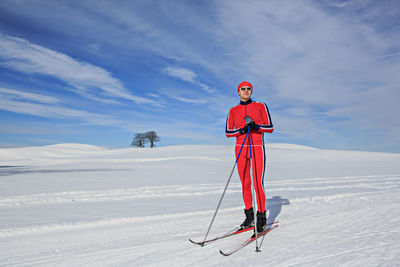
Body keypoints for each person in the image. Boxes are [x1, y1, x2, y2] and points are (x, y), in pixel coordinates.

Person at [225, 81, 274, 234]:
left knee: (258, 183)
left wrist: (256, 127)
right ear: (238, 92)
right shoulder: (233, 110)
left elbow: (270, 127)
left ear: (251, 91)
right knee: (245, 183)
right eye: (243, 89)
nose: (246, 91)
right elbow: (228, 132)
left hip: (257, 147)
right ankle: (249, 216)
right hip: (241, 149)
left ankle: (261, 218)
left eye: (248, 89)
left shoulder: (260, 106)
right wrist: (241, 130)